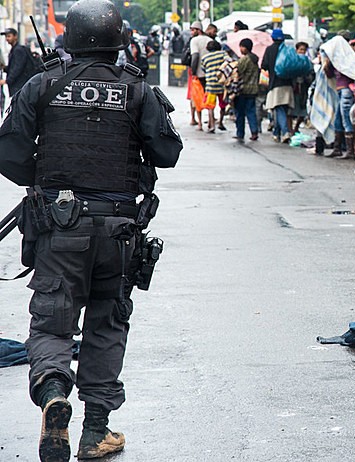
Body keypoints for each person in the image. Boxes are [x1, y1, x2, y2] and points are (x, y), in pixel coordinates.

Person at [0, 0, 182, 459]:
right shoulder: (137, 89)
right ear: (120, 38)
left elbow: (9, 153)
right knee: (107, 323)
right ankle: (95, 431)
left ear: (70, 37)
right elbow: (166, 153)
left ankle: (54, 391)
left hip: (59, 229)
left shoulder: (42, 84)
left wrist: (45, 180)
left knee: (52, 326)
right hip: (119, 232)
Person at [261, 28, 294, 143]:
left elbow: (263, 65)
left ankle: (285, 132)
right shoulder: (288, 49)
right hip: (288, 84)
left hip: (275, 84)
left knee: (278, 108)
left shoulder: (269, 50)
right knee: (282, 109)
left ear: (272, 38)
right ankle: (276, 133)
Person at [235, 38, 260, 141]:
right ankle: (254, 131)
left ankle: (240, 133)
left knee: (240, 113)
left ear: (245, 48)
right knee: (251, 112)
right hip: (253, 89)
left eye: (241, 47)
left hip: (243, 89)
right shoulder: (255, 59)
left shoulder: (244, 59)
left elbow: (238, 71)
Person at [0, 28, 38, 97]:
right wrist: (5, 68)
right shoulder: (14, 49)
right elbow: (14, 66)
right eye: (6, 37)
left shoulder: (18, 50)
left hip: (19, 85)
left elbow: (18, 68)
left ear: (15, 36)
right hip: (18, 85)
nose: (7, 39)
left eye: (9, 36)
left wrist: (7, 81)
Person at [189, 21, 212, 130]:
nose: (191, 32)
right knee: (209, 98)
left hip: (198, 74)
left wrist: (193, 72)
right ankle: (211, 123)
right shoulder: (210, 40)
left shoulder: (194, 41)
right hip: (210, 74)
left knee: (197, 98)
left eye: (193, 30)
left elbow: (195, 57)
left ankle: (200, 124)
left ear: (199, 30)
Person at [201, 40, 226, 133]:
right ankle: (221, 122)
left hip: (210, 85)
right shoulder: (223, 54)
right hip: (222, 84)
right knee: (223, 105)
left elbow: (203, 69)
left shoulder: (205, 58)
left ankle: (212, 125)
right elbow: (229, 62)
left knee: (210, 106)